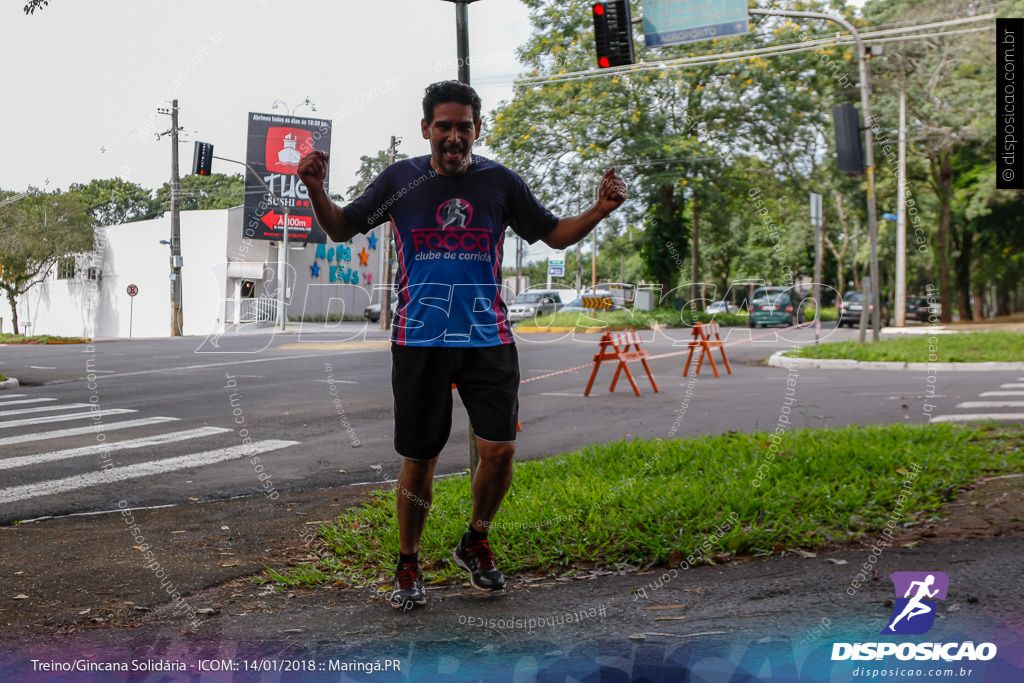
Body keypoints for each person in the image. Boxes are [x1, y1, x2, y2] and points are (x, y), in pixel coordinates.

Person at [297, 80, 626, 610]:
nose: (454, 136)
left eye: (464, 127)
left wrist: (601, 209)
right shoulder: (400, 180)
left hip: (487, 337)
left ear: (477, 129)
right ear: (426, 128)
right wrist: (316, 189)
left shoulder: (501, 183)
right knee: (420, 459)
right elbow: (341, 228)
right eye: (444, 126)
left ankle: (476, 538)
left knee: (499, 452)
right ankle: (407, 563)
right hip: (420, 338)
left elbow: (554, 233)